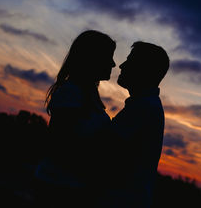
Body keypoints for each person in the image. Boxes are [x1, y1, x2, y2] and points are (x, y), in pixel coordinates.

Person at [34, 30, 116, 207]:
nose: (113, 63)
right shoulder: (70, 93)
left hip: (71, 188)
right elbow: (59, 145)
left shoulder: (88, 95)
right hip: (57, 188)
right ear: (93, 58)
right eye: (108, 57)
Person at [109, 41, 170, 208]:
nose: (121, 65)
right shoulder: (145, 105)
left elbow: (103, 149)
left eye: (130, 61)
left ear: (144, 70)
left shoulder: (143, 108)